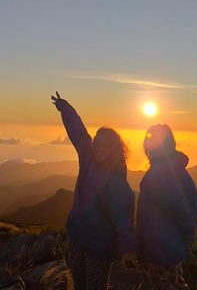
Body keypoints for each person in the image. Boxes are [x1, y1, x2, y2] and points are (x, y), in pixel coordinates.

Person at [51, 91, 138, 290]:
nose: (98, 149)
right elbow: (79, 133)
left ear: (115, 150)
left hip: (99, 246)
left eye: (104, 146)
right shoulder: (88, 160)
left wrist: (128, 251)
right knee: (80, 286)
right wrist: (65, 108)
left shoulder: (118, 185)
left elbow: (124, 221)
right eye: (96, 144)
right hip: (76, 238)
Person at [137, 123, 197, 290]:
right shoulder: (171, 168)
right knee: (175, 283)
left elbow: (179, 205)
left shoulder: (163, 171)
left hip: (162, 247)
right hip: (168, 244)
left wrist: (188, 235)